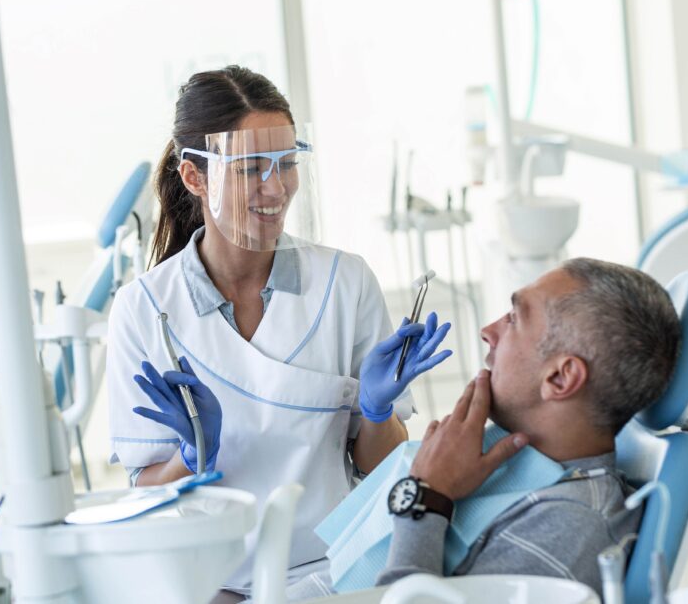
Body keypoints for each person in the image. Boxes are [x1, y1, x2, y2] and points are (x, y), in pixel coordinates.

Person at [105, 66, 452, 597]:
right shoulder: (144, 309)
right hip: (211, 580)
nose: (275, 187)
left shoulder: (345, 282)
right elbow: (143, 495)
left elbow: (378, 466)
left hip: (333, 573)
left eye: (286, 163)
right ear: (195, 177)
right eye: (249, 168)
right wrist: (189, 459)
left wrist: (378, 413)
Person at [371, 258, 682, 595]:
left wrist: (425, 497)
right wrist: (374, 412)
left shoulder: (567, 529)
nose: (487, 331)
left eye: (514, 319)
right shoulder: (510, 467)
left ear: (560, 378)